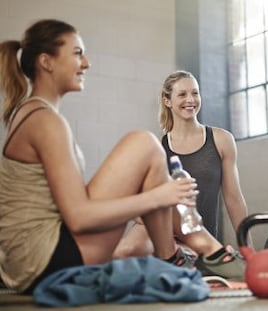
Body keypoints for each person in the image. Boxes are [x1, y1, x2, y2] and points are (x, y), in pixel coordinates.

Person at [0, 19, 199, 294]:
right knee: (144, 144)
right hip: (46, 262)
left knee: (146, 146)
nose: (86, 63)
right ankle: (171, 259)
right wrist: (158, 197)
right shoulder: (45, 121)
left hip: (28, 261)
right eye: (77, 53)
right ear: (46, 62)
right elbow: (79, 217)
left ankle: (170, 258)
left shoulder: (32, 113)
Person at [114, 70, 247, 280]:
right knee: (123, 253)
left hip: (202, 238)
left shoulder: (221, 140)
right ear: (167, 101)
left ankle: (194, 255)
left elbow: (233, 198)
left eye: (195, 93)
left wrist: (247, 246)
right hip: (167, 241)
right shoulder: (157, 148)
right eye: (182, 95)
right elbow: (148, 211)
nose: (190, 100)